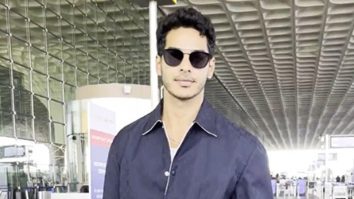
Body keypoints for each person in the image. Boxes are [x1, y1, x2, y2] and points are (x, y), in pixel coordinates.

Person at [103, 7, 272, 199]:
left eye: (197, 58)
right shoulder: (125, 144)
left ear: (210, 67)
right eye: (174, 56)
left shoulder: (245, 152)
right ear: (159, 64)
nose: (185, 67)